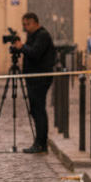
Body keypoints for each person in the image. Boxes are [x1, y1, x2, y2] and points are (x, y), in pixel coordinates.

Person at [12, 12, 56, 154]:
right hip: (33, 79)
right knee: (35, 110)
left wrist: (22, 47)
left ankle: (41, 144)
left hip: (40, 79)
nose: (26, 27)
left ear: (36, 23)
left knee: (38, 110)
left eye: (28, 24)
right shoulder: (32, 36)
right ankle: (39, 142)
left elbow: (35, 53)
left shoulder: (42, 35)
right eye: (24, 24)